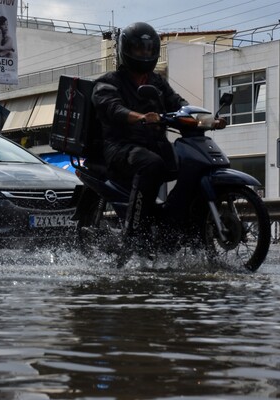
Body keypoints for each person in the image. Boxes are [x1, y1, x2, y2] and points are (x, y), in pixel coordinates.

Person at [91, 22, 224, 257]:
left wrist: (207, 119)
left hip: (155, 145)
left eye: (149, 49)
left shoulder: (157, 81)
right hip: (120, 148)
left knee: (191, 164)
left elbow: (177, 102)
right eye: (139, 49)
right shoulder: (109, 82)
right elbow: (112, 108)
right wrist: (140, 117)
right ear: (126, 50)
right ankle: (134, 234)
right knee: (151, 164)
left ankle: (176, 224)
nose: (145, 54)